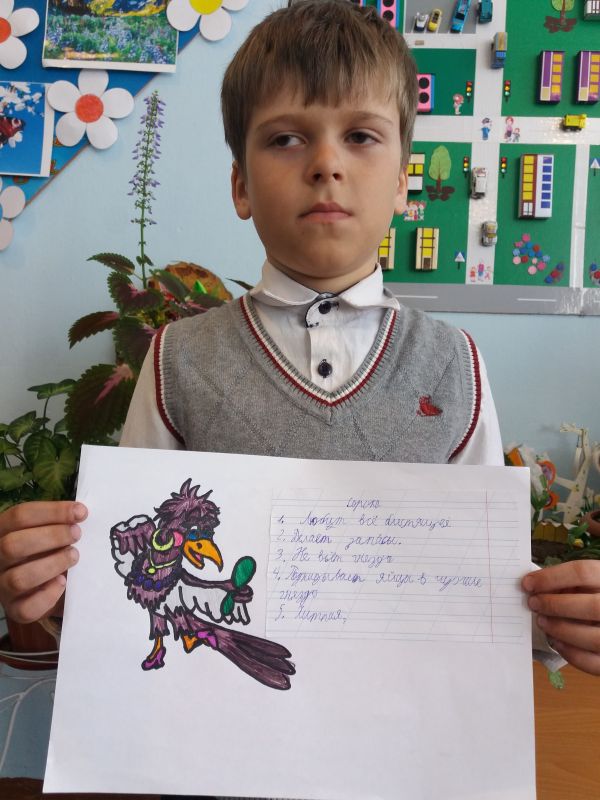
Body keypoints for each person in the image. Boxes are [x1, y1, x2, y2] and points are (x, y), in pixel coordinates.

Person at [1, 0, 600, 686]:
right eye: (286, 138)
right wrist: (50, 594)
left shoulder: (453, 365)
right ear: (240, 186)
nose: (325, 163)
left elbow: (481, 589)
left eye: (362, 136)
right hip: (217, 736)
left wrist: (562, 623)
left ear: (402, 181)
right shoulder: (177, 361)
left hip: (397, 737)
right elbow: (139, 582)